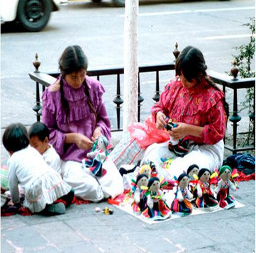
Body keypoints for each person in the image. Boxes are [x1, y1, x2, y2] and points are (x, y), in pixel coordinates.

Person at [110, 46, 228, 179]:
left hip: (206, 148)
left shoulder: (212, 97)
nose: (182, 81)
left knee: (188, 168)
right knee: (151, 156)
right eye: (180, 75)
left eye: (188, 78)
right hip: (178, 144)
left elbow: (217, 132)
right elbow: (159, 107)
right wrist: (159, 115)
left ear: (199, 74)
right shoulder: (176, 87)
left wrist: (188, 129)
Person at [42, 45, 123, 201]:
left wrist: (98, 130)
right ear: (64, 74)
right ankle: (63, 180)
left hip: (94, 154)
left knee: (115, 185)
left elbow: (103, 120)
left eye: (82, 75)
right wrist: (73, 138)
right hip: (68, 157)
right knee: (91, 189)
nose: (78, 80)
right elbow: (46, 134)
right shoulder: (52, 95)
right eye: (73, 77)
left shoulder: (94, 87)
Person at [2, 123, 74, 215]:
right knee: (47, 191)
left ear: (10, 150)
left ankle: (51, 208)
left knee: (33, 203)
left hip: (36, 186)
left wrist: (16, 202)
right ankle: (65, 193)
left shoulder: (12, 160)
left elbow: (12, 184)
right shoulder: (32, 150)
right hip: (52, 177)